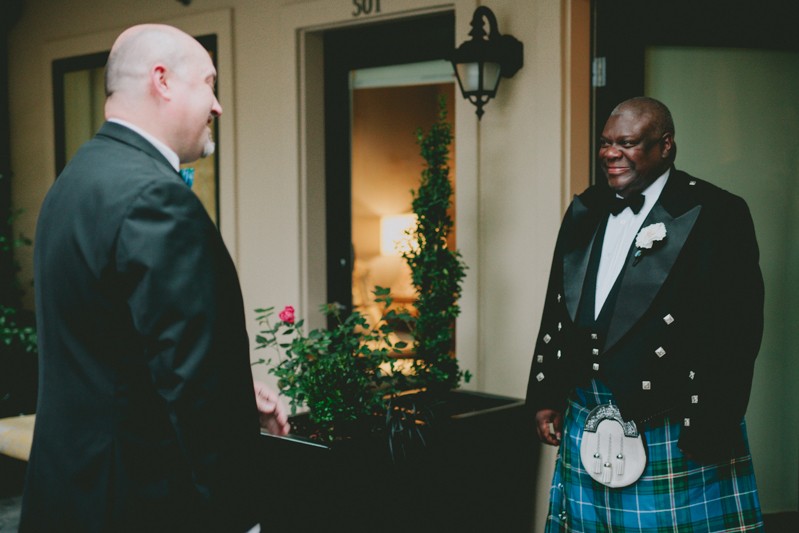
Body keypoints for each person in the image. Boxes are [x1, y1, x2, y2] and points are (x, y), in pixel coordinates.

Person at [20, 24, 289, 532]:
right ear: (162, 81)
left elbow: (115, 349)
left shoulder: (76, 179)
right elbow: (190, 380)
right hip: (137, 503)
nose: (217, 105)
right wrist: (240, 516)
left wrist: (232, 389)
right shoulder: (154, 197)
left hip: (71, 494)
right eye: (209, 83)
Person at [526, 97, 765, 531]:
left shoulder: (716, 212)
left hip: (670, 418)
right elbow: (557, 306)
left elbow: (737, 330)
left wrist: (712, 424)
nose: (610, 153)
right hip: (587, 408)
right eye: (605, 143)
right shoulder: (587, 207)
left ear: (665, 146)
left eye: (627, 142)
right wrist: (546, 393)